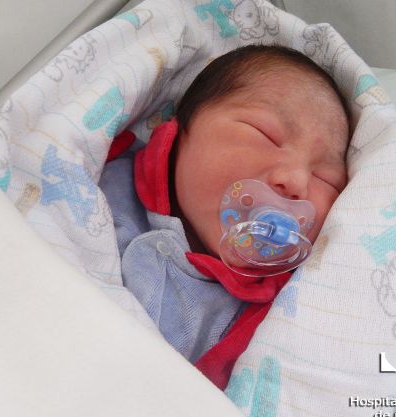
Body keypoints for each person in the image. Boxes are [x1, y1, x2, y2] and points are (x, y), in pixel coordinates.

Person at [99, 44, 349, 387]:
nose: (296, 182)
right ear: (179, 130)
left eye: (327, 179)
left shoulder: (266, 324)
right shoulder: (99, 170)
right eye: (266, 134)